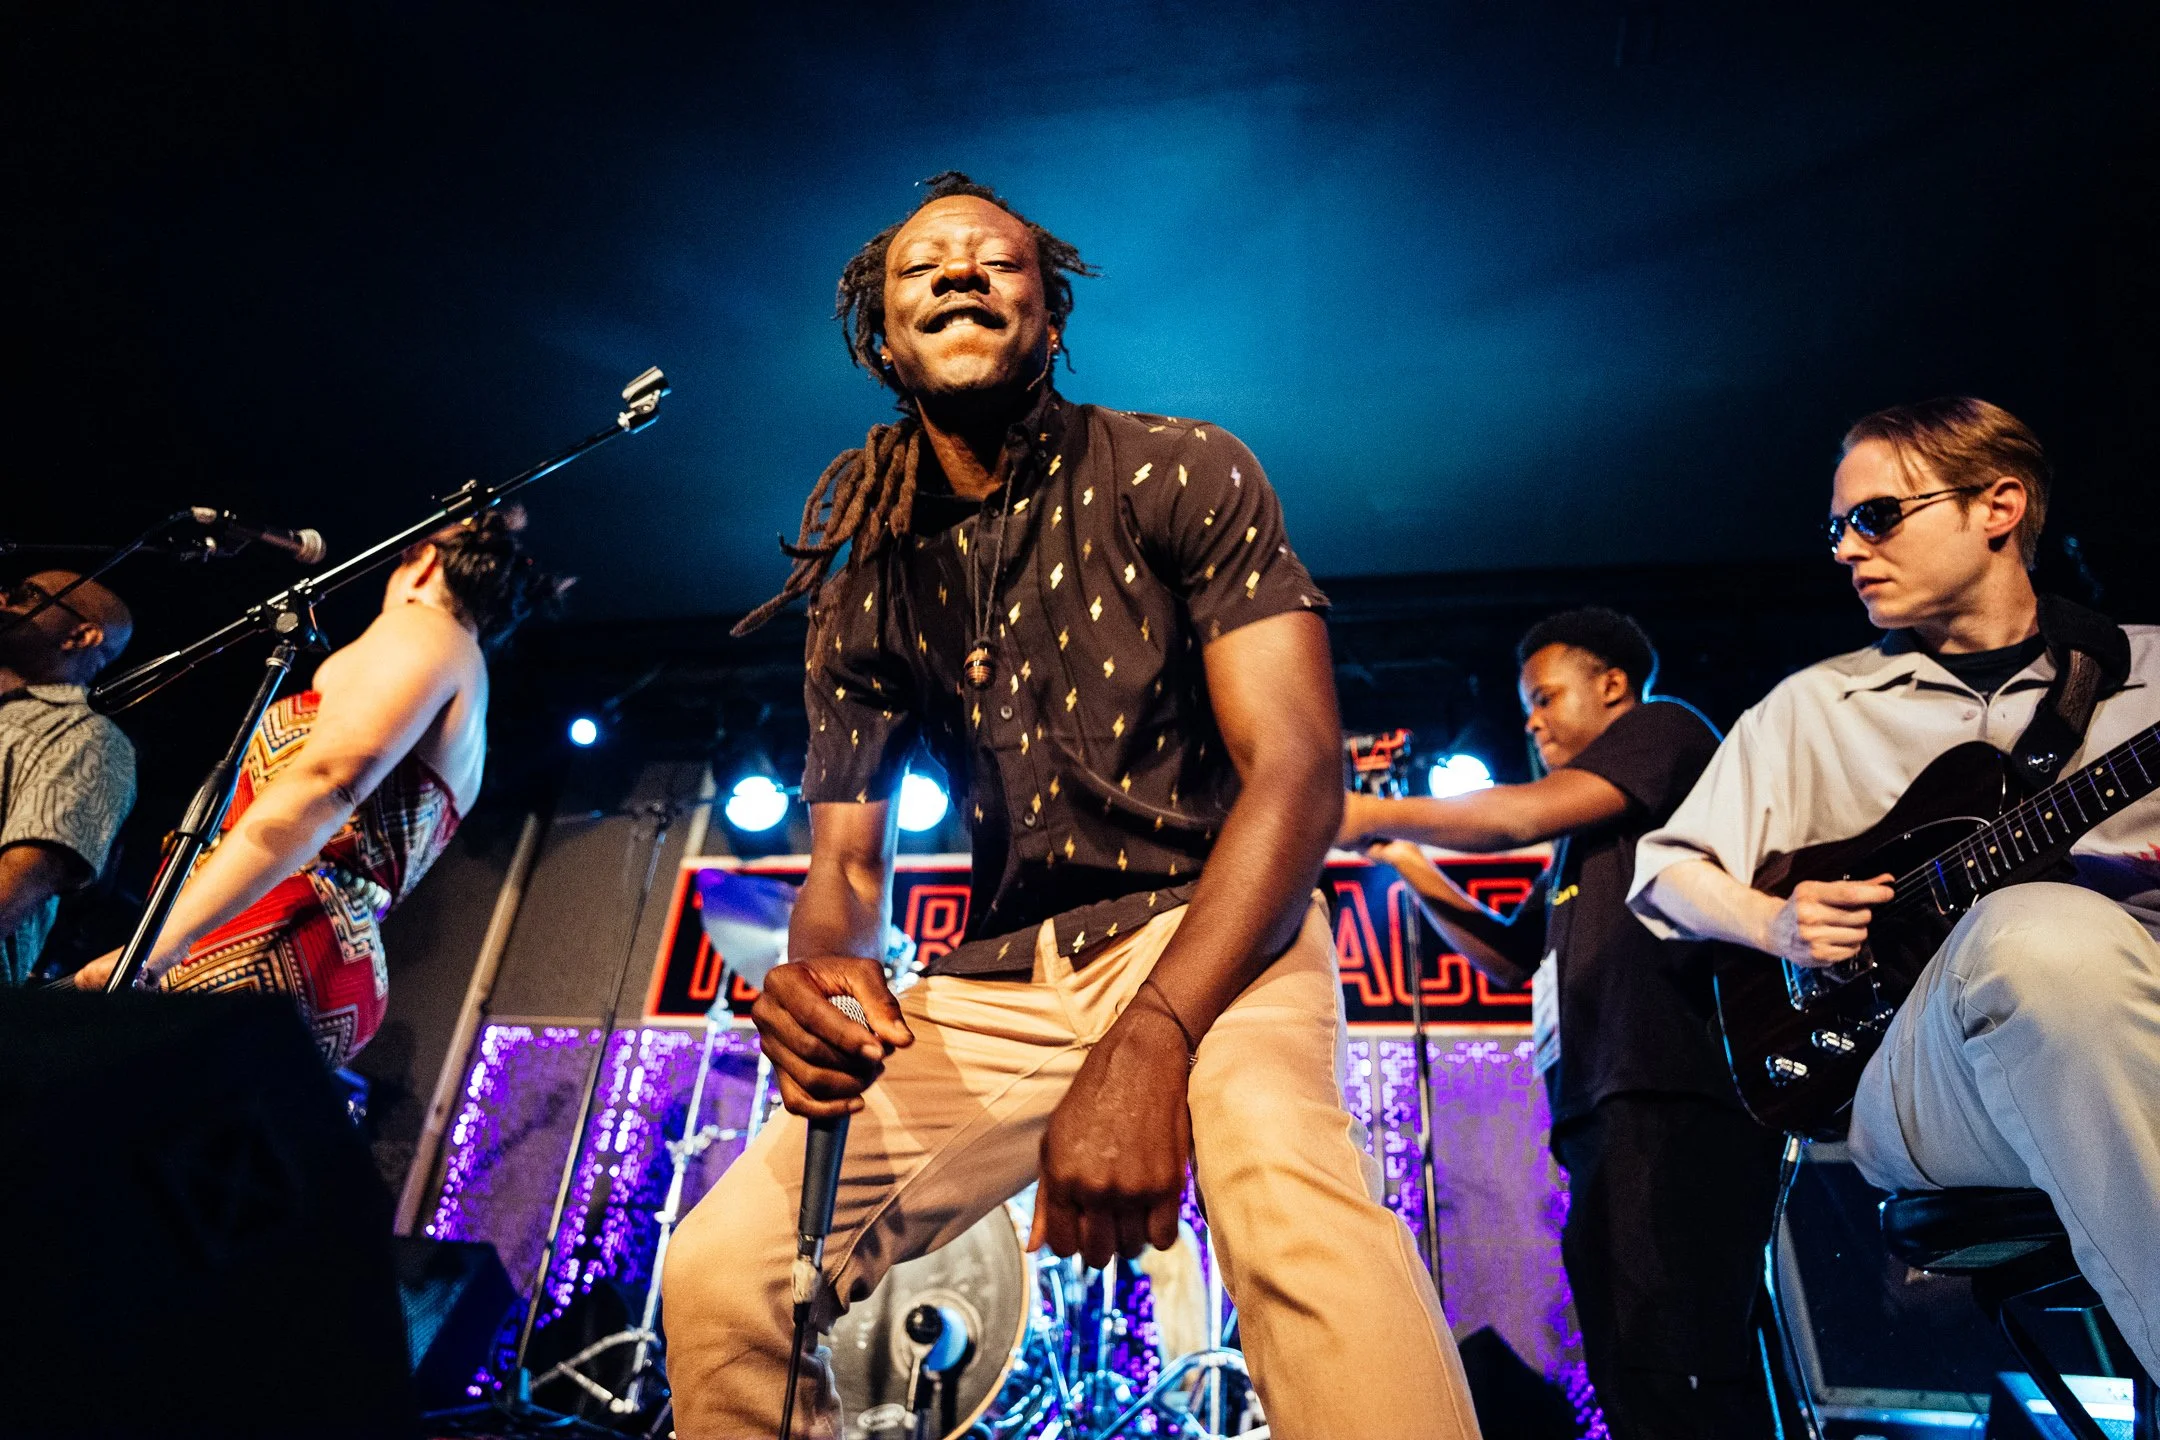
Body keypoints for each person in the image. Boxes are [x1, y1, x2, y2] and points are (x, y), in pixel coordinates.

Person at [662, 172, 1482, 1440]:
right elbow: (848, 868)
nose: (960, 271)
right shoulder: (861, 573)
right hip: (999, 977)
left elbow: (1301, 771)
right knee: (723, 1272)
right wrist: (825, 984)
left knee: (1286, 1197)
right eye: (922, 265)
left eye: (998, 260)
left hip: (1214, 927)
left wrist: (1150, 1040)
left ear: (1049, 321)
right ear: (882, 338)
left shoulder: (1181, 468)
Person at [1630, 397, 2160, 1376]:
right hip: (1918, 1082)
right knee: (2038, 931)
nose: (1843, 549)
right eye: (1836, 526)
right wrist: (1776, 921)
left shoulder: (2152, 679)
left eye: (1874, 517)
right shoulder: (1813, 708)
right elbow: (1665, 875)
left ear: (1997, 507)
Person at [1342, 607, 1784, 1439]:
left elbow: (1515, 816)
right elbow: (1513, 960)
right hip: (1602, 1113)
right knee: (1630, 1368)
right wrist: (1404, 863)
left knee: (1681, 1361)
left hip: (1670, 1097)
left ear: (1612, 684)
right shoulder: (1590, 843)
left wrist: (1371, 814)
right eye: (1527, 708)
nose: (1533, 721)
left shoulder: (1664, 731)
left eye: (1546, 697)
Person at [73, 510, 560, 1068]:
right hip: (326, 958)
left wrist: (156, 948)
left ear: (423, 562)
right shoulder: (472, 702)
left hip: (269, 929)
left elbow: (327, 783)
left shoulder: (422, 625)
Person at [0, 571, 136, 986]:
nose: (3, 597)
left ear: (79, 636)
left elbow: (21, 879)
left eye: (27, 594)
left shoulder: (82, 735)